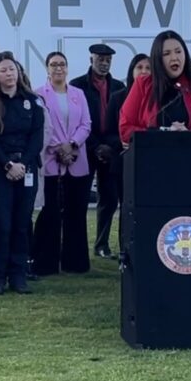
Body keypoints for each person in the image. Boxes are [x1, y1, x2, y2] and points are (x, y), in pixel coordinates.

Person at [0, 52, 44, 295]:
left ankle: (18, 275)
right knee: (0, 224)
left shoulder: (32, 101)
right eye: (3, 70)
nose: (9, 73)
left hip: (26, 168)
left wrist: (23, 164)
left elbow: (37, 137)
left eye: (12, 69)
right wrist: (7, 165)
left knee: (21, 223)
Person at [32, 51, 93, 276]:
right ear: (47, 69)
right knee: (50, 212)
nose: (59, 68)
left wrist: (72, 145)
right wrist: (58, 147)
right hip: (51, 160)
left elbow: (86, 123)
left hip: (76, 159)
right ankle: (46, 262)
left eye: (62, 64)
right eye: (54, 65)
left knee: (76, 211)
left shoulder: (78, 94)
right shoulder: (39, 95)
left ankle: (75, 262)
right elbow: (43, 126)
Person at [70, 43, 126, 259]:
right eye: (100, 59)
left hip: (111, 149)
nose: (104, 63)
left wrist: (109, 146)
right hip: (84, 147)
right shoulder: (77, 86)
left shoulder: (119, 87)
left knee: (110, 198)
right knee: (80, 197)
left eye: (108, 60)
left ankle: (101, 244)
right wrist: (94, 145)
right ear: (91, 59)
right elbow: (77, 120)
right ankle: (77, 246)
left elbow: (119, 121)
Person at [119, 30, 191, 143]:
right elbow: (125, 129)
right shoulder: (143, 84)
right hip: (152, 156)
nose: (174, 57)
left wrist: (190, 133)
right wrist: (162, 133)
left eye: (178, 52)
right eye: (167, 53)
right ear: (157, 58)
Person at [105, 53, 150, 205]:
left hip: (150, 162)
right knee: (126, 206)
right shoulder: (117, 97)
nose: (143, 71)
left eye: (148, 68)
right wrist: (123, 142)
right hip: (124, 161)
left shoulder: (158, 98)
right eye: (139, 67)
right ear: (132, 71)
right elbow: (108, 133)